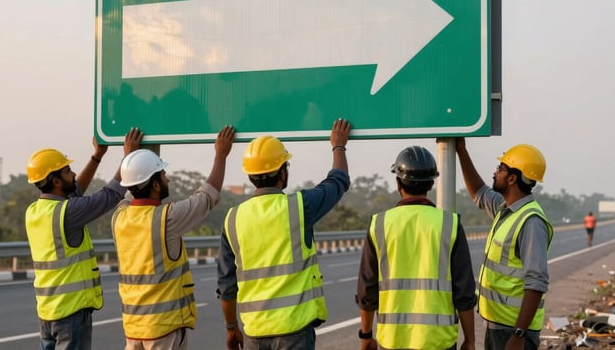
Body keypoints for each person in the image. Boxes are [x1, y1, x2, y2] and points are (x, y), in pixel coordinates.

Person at [217, 118, 352, 350]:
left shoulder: (232, 218)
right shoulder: (299, 207)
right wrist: (338, 146)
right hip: (295, 331)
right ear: (282, 172)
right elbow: (338, 181)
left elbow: (227, 287)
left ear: (250, 176)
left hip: (254, 333)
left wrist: (231, 328)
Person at [111, 126, 236, 350]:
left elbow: (131, 189)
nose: (167, 178)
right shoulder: (166, 219)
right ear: (156, 184)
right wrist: (221, 155)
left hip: (133, 329)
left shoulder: (119, 217)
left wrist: (130, 159)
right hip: (163, 328)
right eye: (163, 175)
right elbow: (208, 195)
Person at [25, 127, 144, 350]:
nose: (73, 174)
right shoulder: (68, 212)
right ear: (56, 181)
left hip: (47, 312)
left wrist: (97, 157)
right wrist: (128, 158)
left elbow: (76, 190)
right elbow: (109, 196)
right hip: (70, 312)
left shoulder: (34, 211)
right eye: (68, 171)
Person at [356, 146, 477, 350]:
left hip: (393, 340)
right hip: (439, 341)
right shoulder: (450, 224)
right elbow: (463, 292)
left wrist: (366, 335)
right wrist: (470, 340)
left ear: (398, 183)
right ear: (431, 184)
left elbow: (367, 290)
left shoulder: (379, 224)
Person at [454, 138, 552, 350]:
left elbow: (536, 283)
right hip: (498, 325)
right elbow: (479, 193)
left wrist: (519, 334)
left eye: (500, 168)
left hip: (513, 329)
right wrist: (462, 151)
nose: (495, 172)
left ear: (512, 178)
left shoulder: (531, 222)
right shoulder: (505, 209)